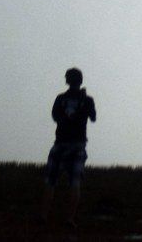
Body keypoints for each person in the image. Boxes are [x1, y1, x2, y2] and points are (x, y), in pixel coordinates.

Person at [40, 67, 96, 227]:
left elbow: (56, 116)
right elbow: (93, 117)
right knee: (74, 182)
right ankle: (69, 219)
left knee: (51, 181)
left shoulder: (61, 98)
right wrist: (83, 105)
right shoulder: (86, 99)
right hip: (75, 144)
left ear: (68, 80)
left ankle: (44, 216)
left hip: (62, 143)